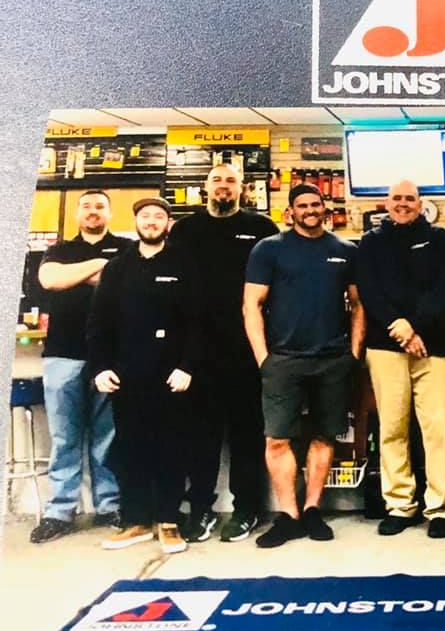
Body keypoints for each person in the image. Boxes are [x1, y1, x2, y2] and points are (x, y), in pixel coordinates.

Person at [243, 185, 364, 548]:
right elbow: (251, 305)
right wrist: (264, 358)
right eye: (302, 206)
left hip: (333, 360)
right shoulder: (269, 249)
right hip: (283, 360)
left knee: (324, 436)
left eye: (315, 204)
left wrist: (353, 353)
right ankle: (288, 515)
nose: (310, 210)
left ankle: (312, 509)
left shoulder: (345, 250)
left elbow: (358, 305)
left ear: (325, 208)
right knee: (277, 438)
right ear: (291, 211)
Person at [167, 163, 279, 543]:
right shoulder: (184, 230)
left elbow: (277, 287)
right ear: (206, 186)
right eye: (217, 180)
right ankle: (201, 509)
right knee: (201, 436)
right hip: (197, 353)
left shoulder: (262, 228)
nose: (223, 186)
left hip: (247, 349)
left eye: (231, 181)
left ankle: (246, 509)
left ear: (242, 188)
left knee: (247, 435)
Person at [87, 197, 203, 554]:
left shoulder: (186, 264)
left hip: (172, 375)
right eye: (145, 216)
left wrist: (187, 366)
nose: (151, 221)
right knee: (130, 448)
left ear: (168, 223)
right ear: (135, 221)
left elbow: (198, 323)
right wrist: (100, 367)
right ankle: (135, 521)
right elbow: (99, 323)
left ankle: (168, 521)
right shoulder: (118, 267)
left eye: (158, 216)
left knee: (172, 448)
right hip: (127, 375)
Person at [29, 190, 133, 544]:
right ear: (77, 213)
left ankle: (109, 505)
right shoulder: (60, 249)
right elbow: (50, 280)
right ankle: (59, 512)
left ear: (110, 213)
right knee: (64, 437)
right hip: (63, 353)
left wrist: (74, 276)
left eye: (100, 206)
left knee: (108, 437)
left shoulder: (126, 248)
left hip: (111, 357)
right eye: (87, 206)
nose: (93, 211)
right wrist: (101, 265)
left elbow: (127, 286)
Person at [357, 179, 445, 539]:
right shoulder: (370, 242)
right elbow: (369, 291)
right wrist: (399, 327)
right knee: (392, 429)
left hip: (434, 347)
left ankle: (440, 508)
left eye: (409, 199)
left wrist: (414, 327)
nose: (403, 204)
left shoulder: (439, 239)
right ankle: (400, 505)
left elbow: (444, 289)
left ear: (420, 203)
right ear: (386, 204)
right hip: (386, 347)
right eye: (396, 198)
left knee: (438, 430)